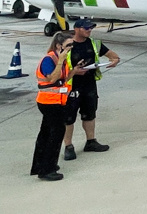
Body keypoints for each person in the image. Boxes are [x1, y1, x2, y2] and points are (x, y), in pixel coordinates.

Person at [62, 18, 120, 160]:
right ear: (77, 29)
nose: (89, 30)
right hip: (71, 85)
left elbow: (113, 55)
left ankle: (91, 141)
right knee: (68, 118)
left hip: (89, 85)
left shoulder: (94, 43)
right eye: (86, 28)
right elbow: (58, 67)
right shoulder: (67, 45)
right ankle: (68, 146)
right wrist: (74, 72)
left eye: (90, 28)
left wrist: (115, 60)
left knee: (90, 114)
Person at [31, 32, 73, 181]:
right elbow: (52, 78)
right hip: (48, 102)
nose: (71, 48)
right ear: (58, 46)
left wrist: (74, 70)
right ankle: (47, 170)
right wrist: (61, 60)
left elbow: (62, 79)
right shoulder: (49, 60)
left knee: (46, 133)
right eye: (68, 45)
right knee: (55, 134)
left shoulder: (60, 59)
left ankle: (41, 165)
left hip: (56, 101)